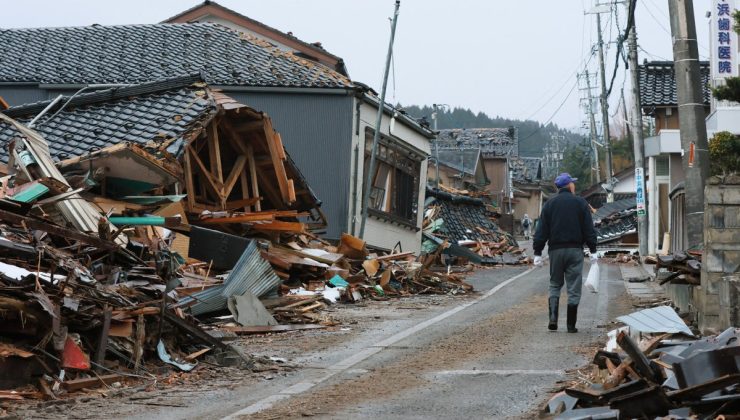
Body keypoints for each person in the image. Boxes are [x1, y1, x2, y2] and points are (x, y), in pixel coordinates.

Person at [532, 173, 597, 333]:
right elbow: (589, 229)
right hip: (575, 250)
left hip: (555, 251)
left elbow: (541, 230)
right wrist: (593, 249)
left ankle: (553, 319)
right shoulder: (580, 203)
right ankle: (570, 325)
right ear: (569, 185)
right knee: (574, 286)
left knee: (555, 284)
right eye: (573, 183)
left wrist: (538, 252)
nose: (574, 185)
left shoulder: (550, 204)